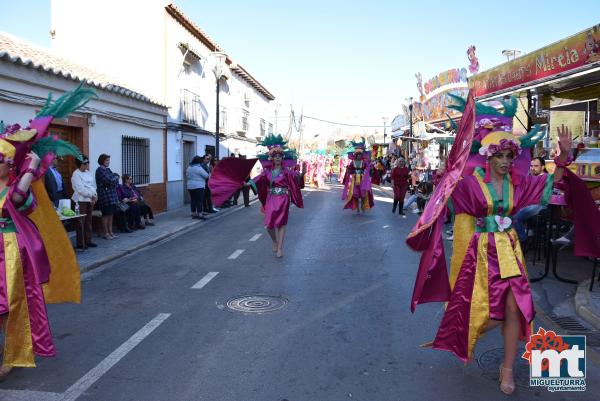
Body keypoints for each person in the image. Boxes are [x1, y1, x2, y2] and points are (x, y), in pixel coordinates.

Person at [408, 95, 600, 395]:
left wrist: (562, 158)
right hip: (480, 255)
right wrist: (450, 166)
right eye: (500, 156)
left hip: (510, 252)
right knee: (484, 311)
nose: (506, 161)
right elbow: (445, 190)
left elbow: (549, 185)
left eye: (511, 156)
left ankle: (507, 368)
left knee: (515, 308)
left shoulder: (518, 186)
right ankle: (475, 333)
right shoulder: (471, 184)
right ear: (489, 157)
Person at [0, 84, 95, 377]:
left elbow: (17, 200)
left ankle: (12, 355)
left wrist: (31, 166)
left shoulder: (18, 186)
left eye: (1, 159)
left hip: (11, 250)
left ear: (9, 163)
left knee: (11, 304)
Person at [244, 135, 303, 258]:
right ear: (271, 158)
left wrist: (300, 174)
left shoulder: (286, 171)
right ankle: (274, 241)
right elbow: (257, 179)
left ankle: (280, 248)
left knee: (281, 224)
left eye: (279, 156)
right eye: (275, 156)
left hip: (283, 199)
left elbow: (295, 176)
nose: (277, 158)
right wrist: (248, 183)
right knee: (268, 225)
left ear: (282, 158)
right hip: (271, 198)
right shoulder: (267, 171)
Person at [513, 156, 548, 241]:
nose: (533, 168)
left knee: (515, 218)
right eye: (531, 166)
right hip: (526, 204)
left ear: (542, 167)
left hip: (538, 205)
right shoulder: (528, 177)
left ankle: (522, 239)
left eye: (536, 166)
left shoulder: (545, 177)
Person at [71, 155, 98, 249]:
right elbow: (80, 189)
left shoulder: (88, 173)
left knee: (89, 221)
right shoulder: (76, 174)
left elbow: (93, 186)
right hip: (80, 200)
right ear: (80, 164)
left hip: (90, 199)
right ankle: (81, 243)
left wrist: (94, 196)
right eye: (85, 163)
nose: (87, 165)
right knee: (81, 222)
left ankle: (88, 240)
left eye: (88, 163)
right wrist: (91, 195)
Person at [342, 138, 374, 213]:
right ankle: (357, 208)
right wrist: (348, 169)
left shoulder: (364, 162)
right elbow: (349, 169)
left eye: (360, 155)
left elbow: (368, 168)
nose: (359, 156)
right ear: (355, 155)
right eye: (358, 155)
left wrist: (371, 167)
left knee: (363, 194)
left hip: (362, 179)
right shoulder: (352, 162)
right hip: (354, 179)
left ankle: (363, 206)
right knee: (355, 194)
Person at [95, 153, 119, 239]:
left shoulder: (108, 170)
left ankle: (110, 231)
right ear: (102, 161)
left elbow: (115, 180)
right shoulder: (99, 171)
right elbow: (109, 181)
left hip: (112, 195)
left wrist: (115, 179)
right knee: (105, 214)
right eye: (107, 160)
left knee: (111, 214)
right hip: (105, 196)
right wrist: (115, 179)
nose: (108, 162)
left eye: (109, 160)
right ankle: (105, 233)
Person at [186, 155, 208, 220]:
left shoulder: (189, 168)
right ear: (199, 161)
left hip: (190, 186)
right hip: (199, 186)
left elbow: (187, 175)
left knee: (193, 200)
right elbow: (206, 176)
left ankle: (193, 213)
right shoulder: (199, 168)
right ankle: (200, 214)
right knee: (199, 200)